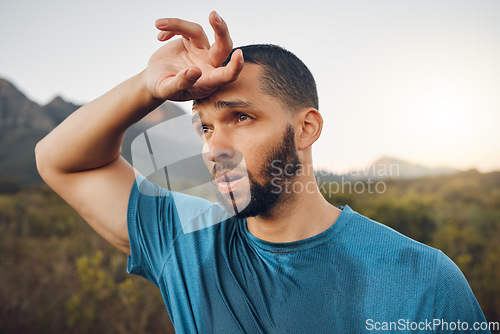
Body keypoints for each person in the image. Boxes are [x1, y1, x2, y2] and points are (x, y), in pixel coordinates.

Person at [35, 11, 491, 333]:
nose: (214, 148)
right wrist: (145, 86)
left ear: (306, 128)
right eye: (205, 128)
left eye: (241, 118)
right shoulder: (186, 243)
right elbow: (59, 160)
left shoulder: (423, 281)